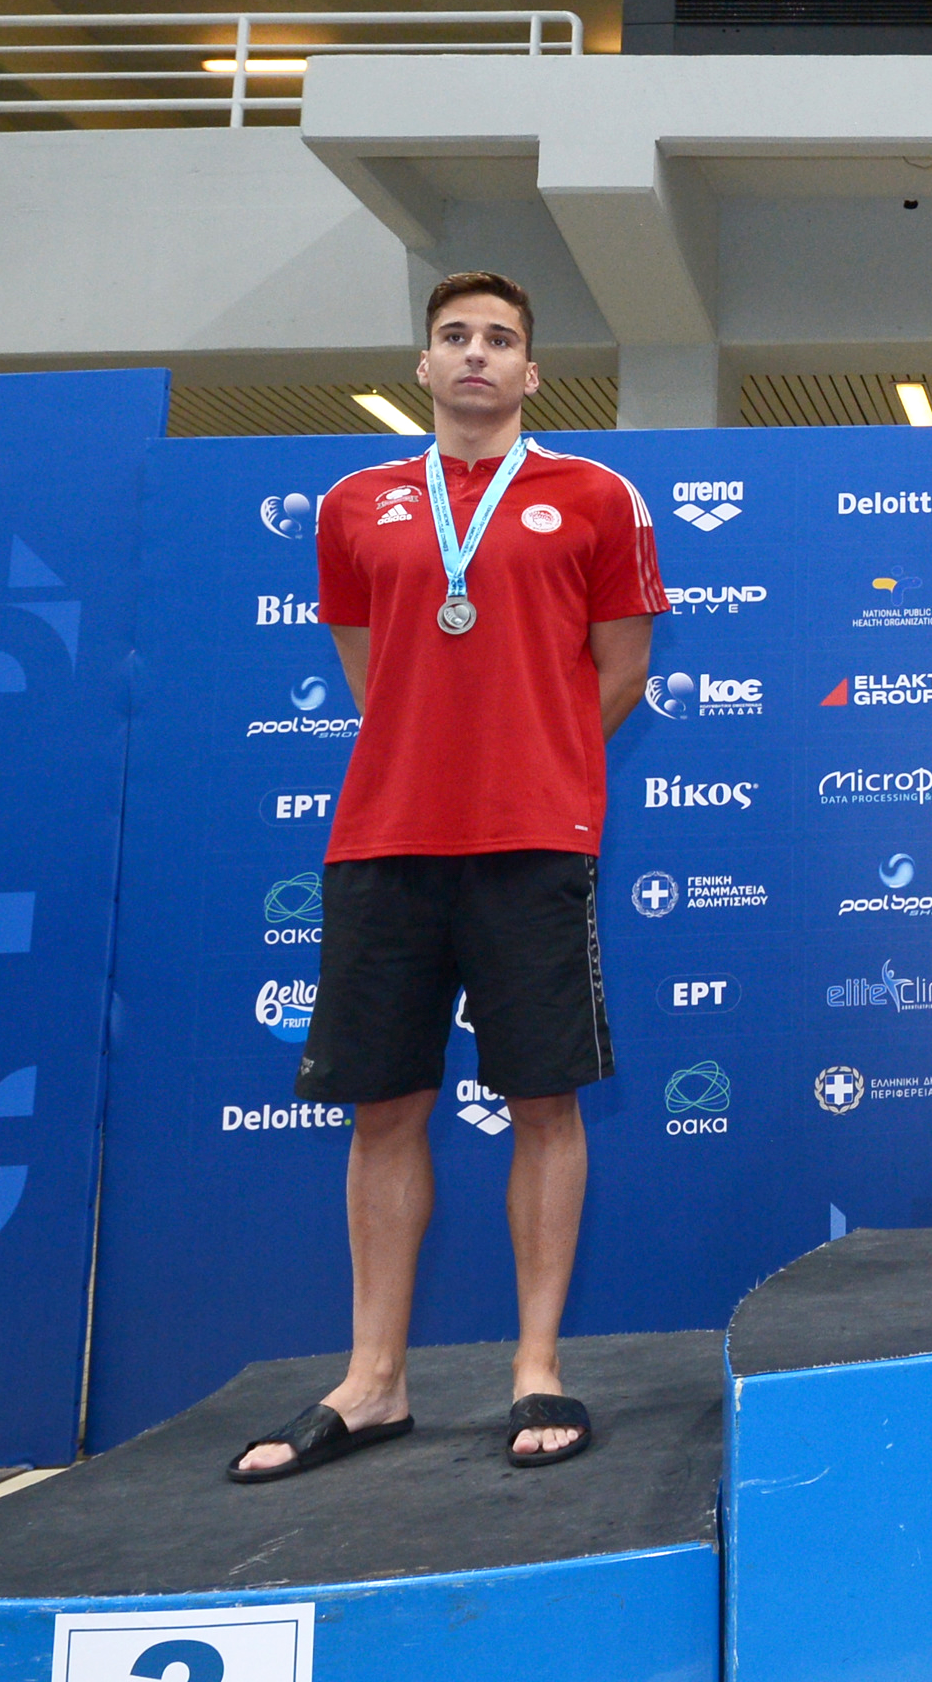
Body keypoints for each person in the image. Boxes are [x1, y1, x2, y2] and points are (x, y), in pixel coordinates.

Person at [229, 272, 666, 1482]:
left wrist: (538, 762)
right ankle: (374, 1380)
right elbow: (370, 674)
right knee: (382, 1106)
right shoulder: (354, 504)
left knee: (544, 1101)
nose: (477, 354)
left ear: (533, 372)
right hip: (386, 838)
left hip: (534, 840)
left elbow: (622, 669)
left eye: (501, 340)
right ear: (423, 364)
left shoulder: (599, 497)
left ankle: (537, 1366)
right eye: (455, 336)